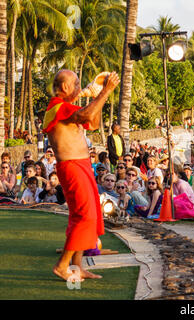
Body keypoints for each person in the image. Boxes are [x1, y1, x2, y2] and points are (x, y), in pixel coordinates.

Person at [45, 69, 120, 281]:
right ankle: (62, 266)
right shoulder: (57, 107)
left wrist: (99, 95)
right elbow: (86, 115)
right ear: (66, 87)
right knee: (84, 215)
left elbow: (93, 123)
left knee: (87, 214)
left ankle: (77, 267)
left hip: (82, 165)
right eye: (76, 83)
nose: (80, 87)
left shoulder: (68, 107)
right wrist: (105, 91)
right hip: (71, 166)